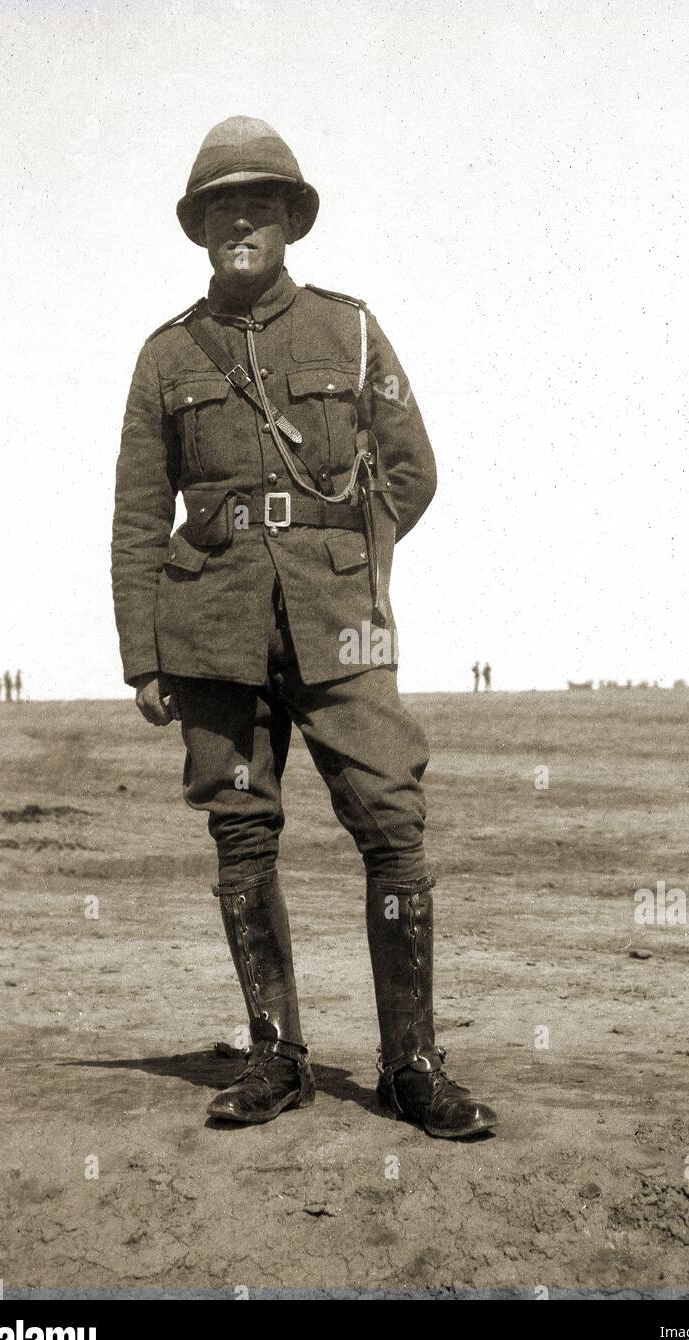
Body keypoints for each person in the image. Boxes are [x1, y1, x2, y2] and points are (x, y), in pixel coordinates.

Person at [111, 117, 496, 1139]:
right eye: (220, 209)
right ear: (199, 231)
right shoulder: (164, 358)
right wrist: (142, 656)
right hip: (213, 631)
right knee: (243, 831)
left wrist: (346, 560)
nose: (240, 222)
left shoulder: (351, 330)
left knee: (391, 820)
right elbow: (140, 515)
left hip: (340, 626)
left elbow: (412, 471)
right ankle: (276, 1057)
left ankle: (412, 1066)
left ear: (288, 221)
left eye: (259, 205)